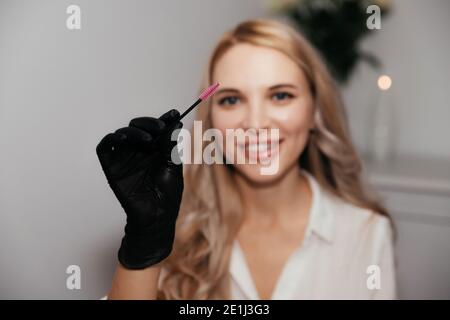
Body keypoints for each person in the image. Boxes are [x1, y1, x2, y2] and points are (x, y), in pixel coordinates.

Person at [96, 19, 396, 300]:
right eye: (231, 100)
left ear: (315, 112)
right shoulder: (177, 231)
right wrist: (143, 246)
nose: (255, 123)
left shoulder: (367, 234)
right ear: (211, 120)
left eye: (280, 96)